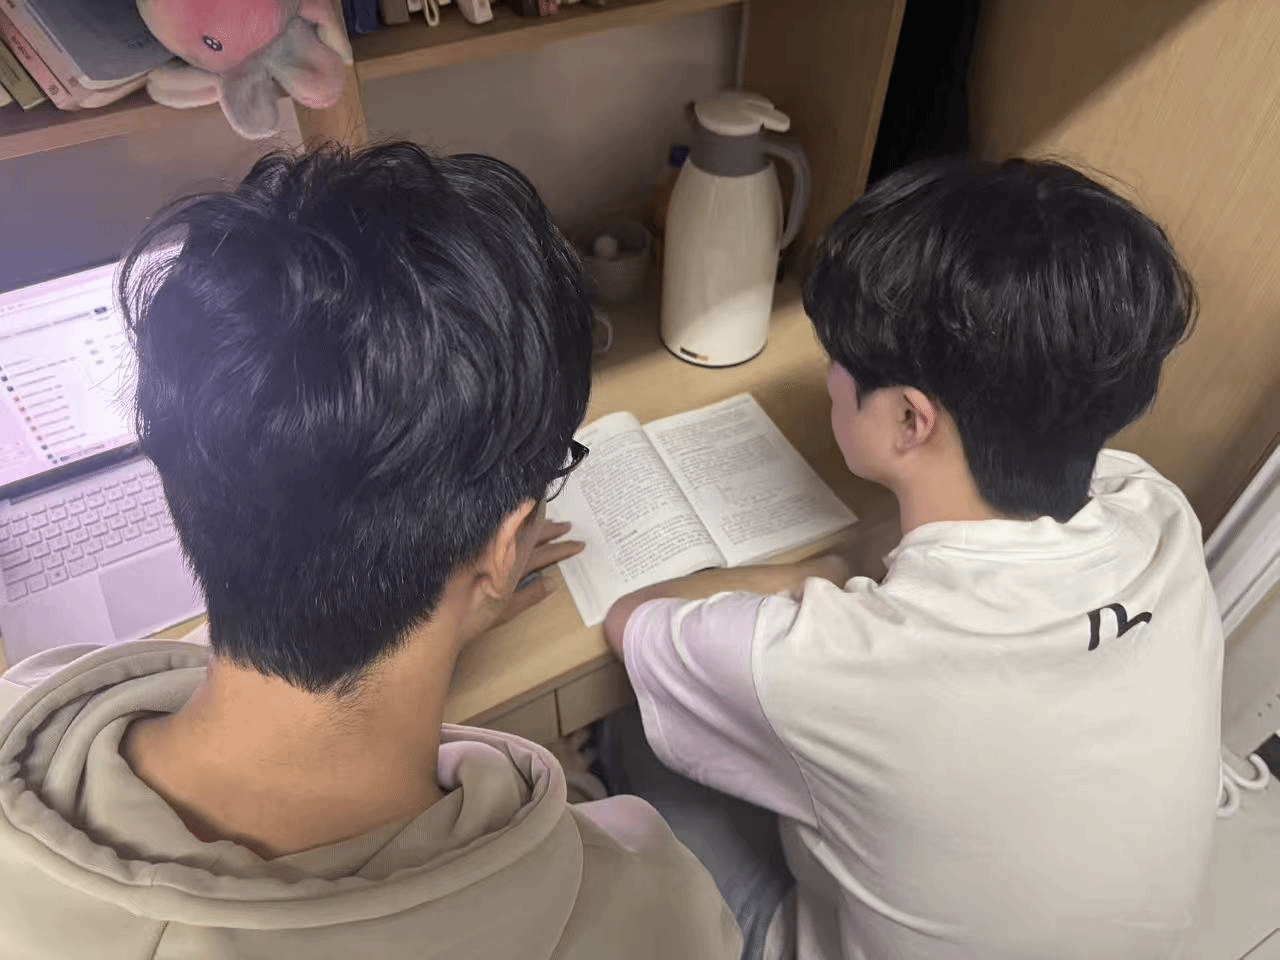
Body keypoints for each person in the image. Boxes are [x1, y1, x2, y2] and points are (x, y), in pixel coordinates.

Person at [0, 143, 740, 960]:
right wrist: (433, 596)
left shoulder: (26, 699)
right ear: (508, 546)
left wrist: (407, 604)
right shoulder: (650, 911)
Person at [600, 157, 1222, 960]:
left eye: (837, 361)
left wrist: (820, 575)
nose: (828, 378)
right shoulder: (1160, 516)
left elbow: (631, 620)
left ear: (909, 420)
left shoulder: (833, 662)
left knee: (628, 726)